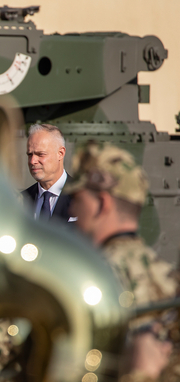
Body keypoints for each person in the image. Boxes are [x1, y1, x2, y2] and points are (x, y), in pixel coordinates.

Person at [65, 141, 179, 382]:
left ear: (103, 204)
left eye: (77, 199)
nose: (71, 210)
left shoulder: (80, 282)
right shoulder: (170, 280)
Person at [22, 124, 75, 223]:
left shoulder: (81, 198)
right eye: (30, 154)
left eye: (40, 154)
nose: (32, 161)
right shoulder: (22, 201)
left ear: (60, 153)